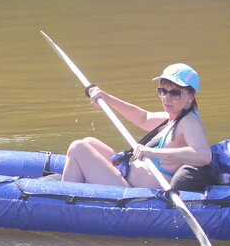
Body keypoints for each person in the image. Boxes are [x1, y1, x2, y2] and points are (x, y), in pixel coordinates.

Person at [60, 62, 214, 189]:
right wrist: (107, 98)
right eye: (162, 91)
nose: (166, 98)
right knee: (88, 142)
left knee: (78, 148)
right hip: (127, 173)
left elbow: (203, 155)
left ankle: (63, 201)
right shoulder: (173, 117)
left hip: (130, 190)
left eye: (175, 93)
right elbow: (143, 118)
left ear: (191, 96)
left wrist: (152, 152)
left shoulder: (189, 122)